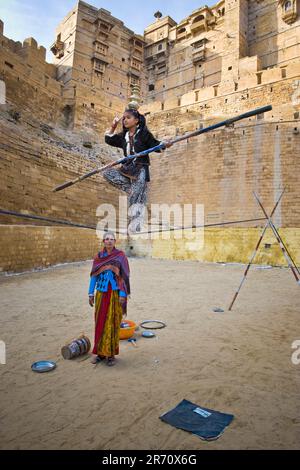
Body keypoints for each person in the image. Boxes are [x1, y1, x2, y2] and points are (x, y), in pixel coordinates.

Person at [103, 108, 172, 232]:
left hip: (140, 168)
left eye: (128, 118)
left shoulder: (144, 134)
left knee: (137, 199)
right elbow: (109, 140)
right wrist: (113, 126)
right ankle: (130, 190)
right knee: (107, 172)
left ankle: (134, 226)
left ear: (136, 120)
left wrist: (164, 144)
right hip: (127, 168)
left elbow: (155, 145)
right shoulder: (123, 136)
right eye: (124, 118)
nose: (125, 120)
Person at [88, 231, 130, 366]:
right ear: (103, 241)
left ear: (115, 241)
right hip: (101, 293)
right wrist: (90, 293)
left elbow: (124, 276)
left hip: (114, 294)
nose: (109, 241)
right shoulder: (98, 257)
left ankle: (110, 354)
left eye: (112, 239)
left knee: (112, 322)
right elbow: (94, 275)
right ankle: (100, 353)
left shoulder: (120, 256)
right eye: (107, 239)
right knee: (100, 322)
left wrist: (123, 294)